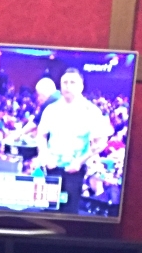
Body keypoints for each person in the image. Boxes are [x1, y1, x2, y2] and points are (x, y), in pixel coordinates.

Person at [35, 68, 110, 214]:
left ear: (81, 86)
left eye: (72, 82)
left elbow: (101, 142)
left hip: (74, 170)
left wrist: (80, 161)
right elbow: (41, 135)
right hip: (52, 168)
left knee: (68, 213)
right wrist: (45, 156)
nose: (68, 86)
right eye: (65, 82)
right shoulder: (51, 109)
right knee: (48, 211)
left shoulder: (91, 111)